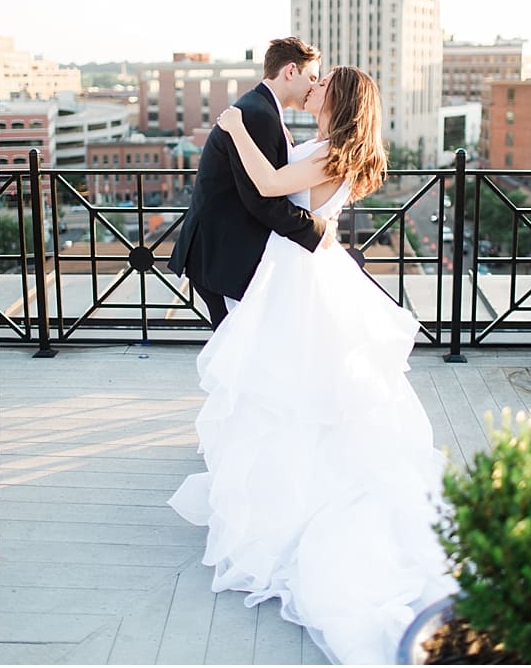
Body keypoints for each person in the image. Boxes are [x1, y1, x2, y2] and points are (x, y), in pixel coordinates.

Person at [168, 66, 457, 664]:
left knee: (294, 393)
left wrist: (232, 127)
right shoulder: (333, 147)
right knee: (292, 390)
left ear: (341, 97)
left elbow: (273, 184)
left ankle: (295, 507)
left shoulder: (332, 152)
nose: (316, 85)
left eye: (326, 82)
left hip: (299, 282)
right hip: (299, 270)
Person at [167, 36, 336, 328]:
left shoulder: (262, 109)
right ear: (290, 71)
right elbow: (261, 198)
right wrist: (317, 229)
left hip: (224, 252)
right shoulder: (259, 115)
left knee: (240, 352)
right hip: (221, 256)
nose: (313, 86)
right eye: (311, 77)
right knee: (235, 352)